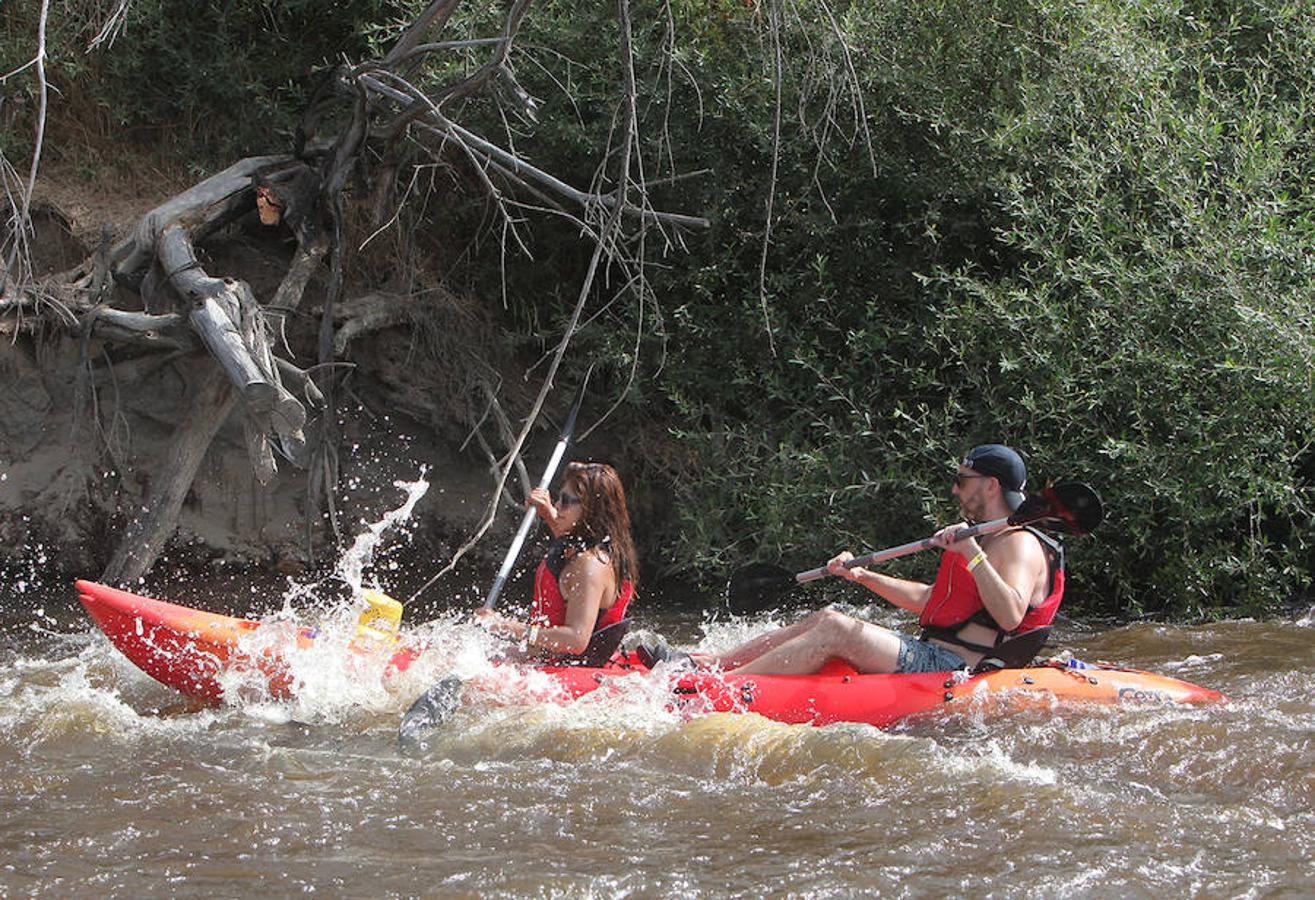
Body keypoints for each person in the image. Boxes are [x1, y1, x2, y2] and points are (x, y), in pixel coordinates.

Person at [689, 444, 1063, 675]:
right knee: (825, 618)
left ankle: (723, 687)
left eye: (962, 480)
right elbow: (930, 599)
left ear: (991, 485)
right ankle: (709, 664)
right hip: (934, 652)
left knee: (837, 629)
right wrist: (864, 577)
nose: (954, 488)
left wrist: (971, 554)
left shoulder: (1019, 544)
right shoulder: (986, 537)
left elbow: (1010, 615)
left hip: (958, 667)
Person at [475, 461, 638, 661]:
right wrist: (548, 513)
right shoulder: (595, 550)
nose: (558, 505)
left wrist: (507, 627)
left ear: (590, 508)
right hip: (550, 660)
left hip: (565, 668)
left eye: (566, 501)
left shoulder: (591, 566)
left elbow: (576, 640)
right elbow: (569, 541)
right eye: (559, 498)